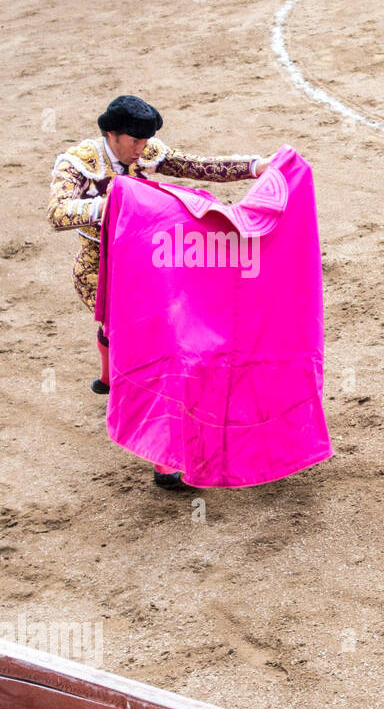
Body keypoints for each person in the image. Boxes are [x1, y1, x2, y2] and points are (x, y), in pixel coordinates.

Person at [47, 95, 271, 489]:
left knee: (159, 347)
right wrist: (119, 202)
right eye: (134, 141)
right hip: (100, 271)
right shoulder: (78, 162)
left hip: (146, 263)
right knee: (147, 350)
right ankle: (164, 458)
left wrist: (255, 166)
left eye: (145, 141)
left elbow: (196, 166)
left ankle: (116, 385)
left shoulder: (146, 147)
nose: (141, 149)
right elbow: (58, 213)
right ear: (110, 134)